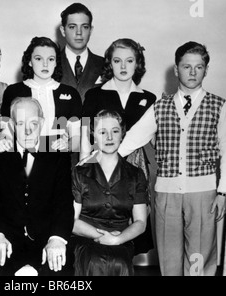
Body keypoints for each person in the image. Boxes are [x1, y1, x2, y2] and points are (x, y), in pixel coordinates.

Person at [116, 41, 226, 276]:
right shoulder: (160, 107)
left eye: (199, 67)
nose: (192, 72)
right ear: (176, 69)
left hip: (203, 193)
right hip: (167, 193)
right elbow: (132, 139)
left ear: (206, 70)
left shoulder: (219, 106)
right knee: (169, 257)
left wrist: (223, 193)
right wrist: (99, 159)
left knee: (199, 256)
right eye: (186, 66)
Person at [0, 97, 74, 276]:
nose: (28, 130)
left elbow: (64, 203)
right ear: (12, 125)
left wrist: (57, 239)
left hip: (47, 242)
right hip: (7, 242)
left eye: (34, 123)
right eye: (20, 124)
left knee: (59, 275)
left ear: (42, 122)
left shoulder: (58, 156)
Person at [81, 38, 156, 255]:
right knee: (100, 223)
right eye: (117, 60)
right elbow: (86, 132)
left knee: (132, 227)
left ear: (137, 64)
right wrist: (87, 163)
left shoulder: (149, 99)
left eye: (129, 60)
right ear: (109, 63)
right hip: (100, 163)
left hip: (136, 166)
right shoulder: (94, 94)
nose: (123, 67)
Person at [71, 110, 148, 276]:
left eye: (115, 131)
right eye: (102, 132)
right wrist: (100, 236)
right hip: (86, 239)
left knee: (120, 263)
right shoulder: (80, 172)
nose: (109, 137)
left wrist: (117, 239)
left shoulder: (135, 174)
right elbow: (72, 220)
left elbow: (140, 222)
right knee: (93, 262)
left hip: (121, 239)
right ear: (94, 136)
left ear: (122, 134)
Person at [0, 36, 82, 154]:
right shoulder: (13, 91)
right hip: (23, 158)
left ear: (56, 62)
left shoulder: (71, 93)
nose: (45, 64)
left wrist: (68, 145)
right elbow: (5, 132)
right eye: (38, 59)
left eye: (51, 59)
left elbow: (77, 137)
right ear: (30, 61)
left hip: (58, 160)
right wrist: (2, 142)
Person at [59, 3, 104, 103]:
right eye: (72, 27)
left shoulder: (105, 64)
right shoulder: (49, 64)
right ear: (63, 30)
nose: (79, 32)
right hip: (59, 119)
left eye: (85, 27)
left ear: (90, 30)